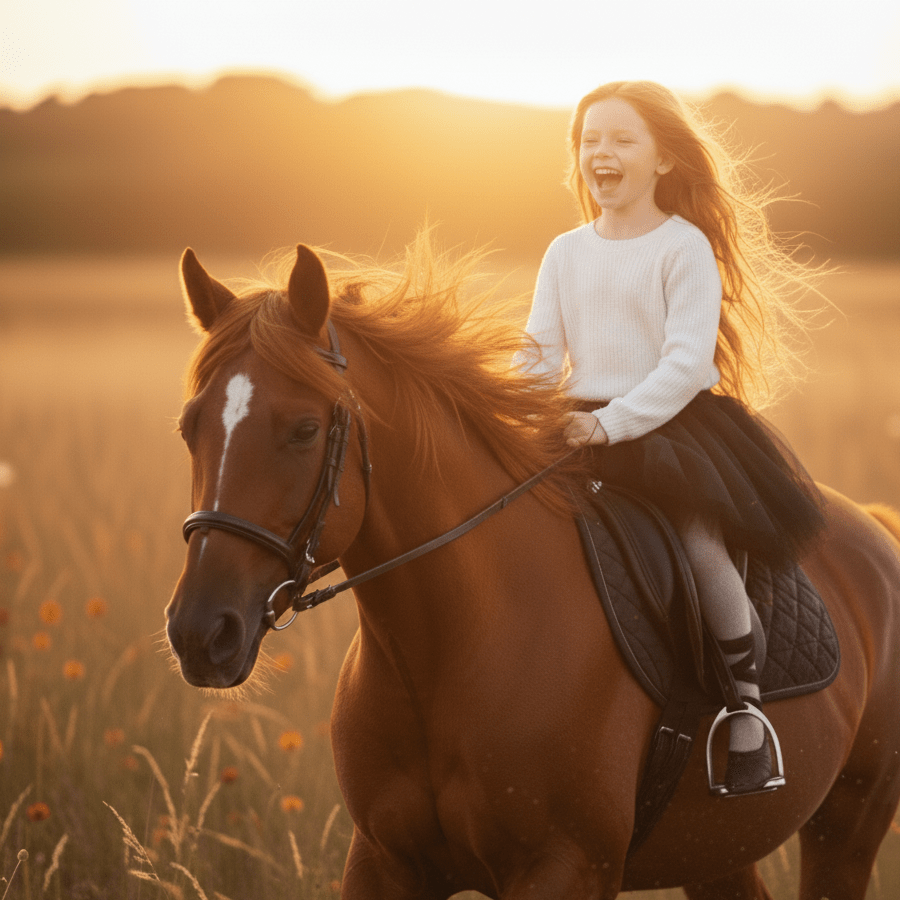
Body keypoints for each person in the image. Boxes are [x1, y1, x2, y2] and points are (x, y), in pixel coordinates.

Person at [519, 80, 826, 795]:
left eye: (622, 139)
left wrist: (607, 423)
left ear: (662, 160)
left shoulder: (683, 247)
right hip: (575, 419)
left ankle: (744, 710)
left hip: (668, 423)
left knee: (696, 538)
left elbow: (686, 364)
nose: (602, 152)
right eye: (590, 140)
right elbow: (537, 350)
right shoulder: (565, 251)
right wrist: (526, 409)